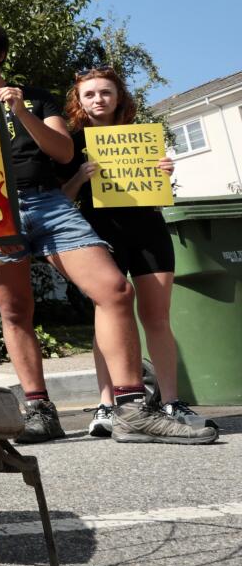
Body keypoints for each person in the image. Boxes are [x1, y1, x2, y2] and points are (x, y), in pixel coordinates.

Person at [0, 19, 214, 445]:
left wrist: (19, 110)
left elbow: (63, 150)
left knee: (114, 290)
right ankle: (39, 410)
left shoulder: (35, 99)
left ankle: (130, 409)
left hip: (48, 202)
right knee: (15, 312)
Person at [60, 66, 217, 435]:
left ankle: (171, 401)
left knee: (157, 316)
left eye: (105, 92)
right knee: (108, 316)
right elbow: (61, 201)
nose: (98, 99)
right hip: (99, 236)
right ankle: (105, 404)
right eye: (90, 94)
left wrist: (163, 174)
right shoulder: (71, 145)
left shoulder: (140, 138)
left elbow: (159, 198)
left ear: (118, 97)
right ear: (79, 101)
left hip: (148, 231)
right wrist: (80, 176)